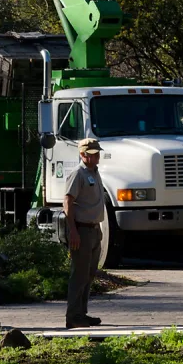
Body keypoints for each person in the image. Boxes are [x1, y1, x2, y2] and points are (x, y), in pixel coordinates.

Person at [63, 138, 106, 328]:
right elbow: (68, 202)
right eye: (93, 154)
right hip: (81, 229)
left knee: (89, 274)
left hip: (94, 229)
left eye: (97, 153)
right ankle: (72, 316)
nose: (97, 157)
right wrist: (73, 231)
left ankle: (82, 313)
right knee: (79, 274)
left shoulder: (95, 173)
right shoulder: (77, 174)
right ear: (83, 155)